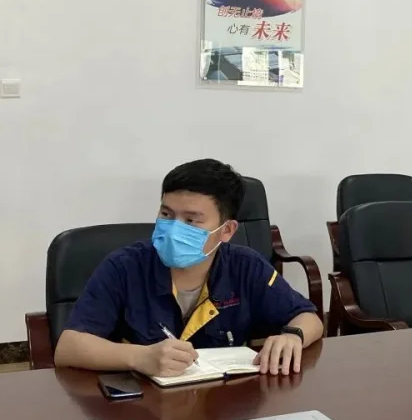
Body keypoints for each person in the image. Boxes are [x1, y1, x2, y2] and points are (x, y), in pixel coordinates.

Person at [54, 159, 323, 377]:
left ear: (227, 230)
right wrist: (140, 357)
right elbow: (67, 348)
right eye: (166, 214)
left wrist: (293, 335)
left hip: (222, 405)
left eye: (191, 221)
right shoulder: (124, 267)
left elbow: (308, 318)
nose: (174, 229)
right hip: (142, 406)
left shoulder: (245, 266)